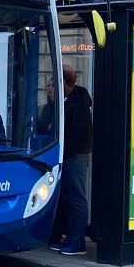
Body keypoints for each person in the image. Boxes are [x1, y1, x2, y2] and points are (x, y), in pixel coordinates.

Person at [51, 65, 93, 256]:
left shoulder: (78, 103)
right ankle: (69, 238)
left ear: (65, 83)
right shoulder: (70, 101)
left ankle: (77, 241)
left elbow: (79, 134)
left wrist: (66, 152)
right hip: (69, 155)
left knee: (76, 198)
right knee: (68, 197)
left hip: (75, 156)